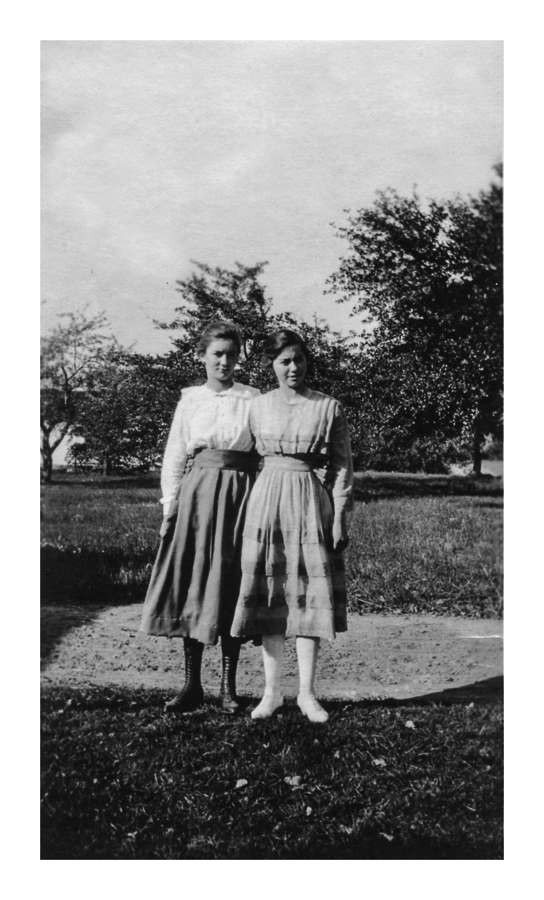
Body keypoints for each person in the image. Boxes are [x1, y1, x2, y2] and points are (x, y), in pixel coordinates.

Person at [231, 329, 353, 723]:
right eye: (284, 360)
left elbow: (341, 468)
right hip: (266, 501)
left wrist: (339, 516)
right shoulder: (257, 406)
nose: (293, 367)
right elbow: (240, 459)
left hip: (309, 503)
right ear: (271, 364)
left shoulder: (328, 407)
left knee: (307, 594)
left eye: (299, 359)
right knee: (270, 594)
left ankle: (306, 694)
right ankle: (271, 694)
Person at [140, 321, 260, 714]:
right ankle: (192, 685)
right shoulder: (190, 400)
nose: (224, 361)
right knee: (195, 582)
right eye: (217, 354)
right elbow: (175, 456)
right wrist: (170, 507)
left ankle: (228, 688)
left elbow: (266, 447)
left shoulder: (253, 398)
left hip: (241, 495)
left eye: (231, 355)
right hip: (198, 497)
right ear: (202, 356)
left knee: (232, 583)